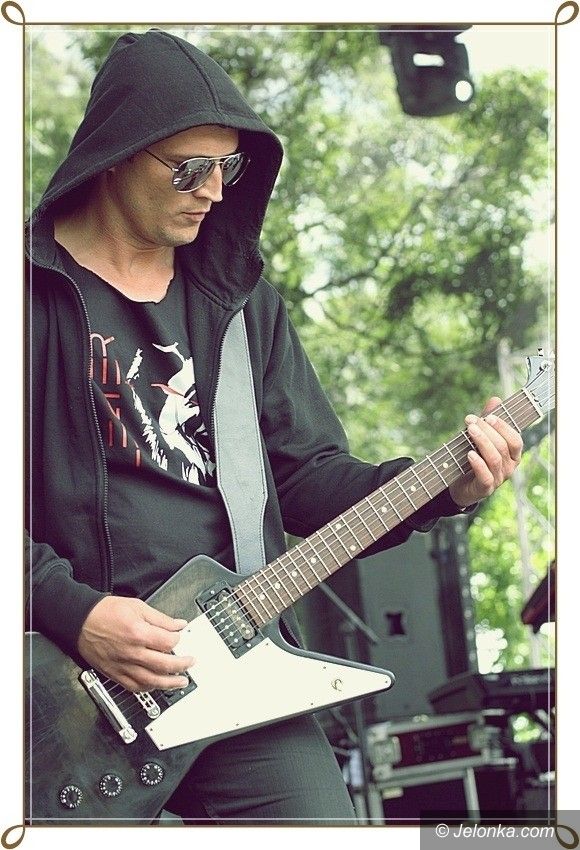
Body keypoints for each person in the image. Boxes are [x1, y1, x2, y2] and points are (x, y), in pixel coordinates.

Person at [26, 29, 523, 826]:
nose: (212, 191)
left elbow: (307, 475)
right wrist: (68, 609)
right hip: (55, 690)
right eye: (188, 168)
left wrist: (445, 487)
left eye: (228, 169)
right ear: (115, 153)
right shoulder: (25, 296)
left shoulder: (240, 305)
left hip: (232, 665)